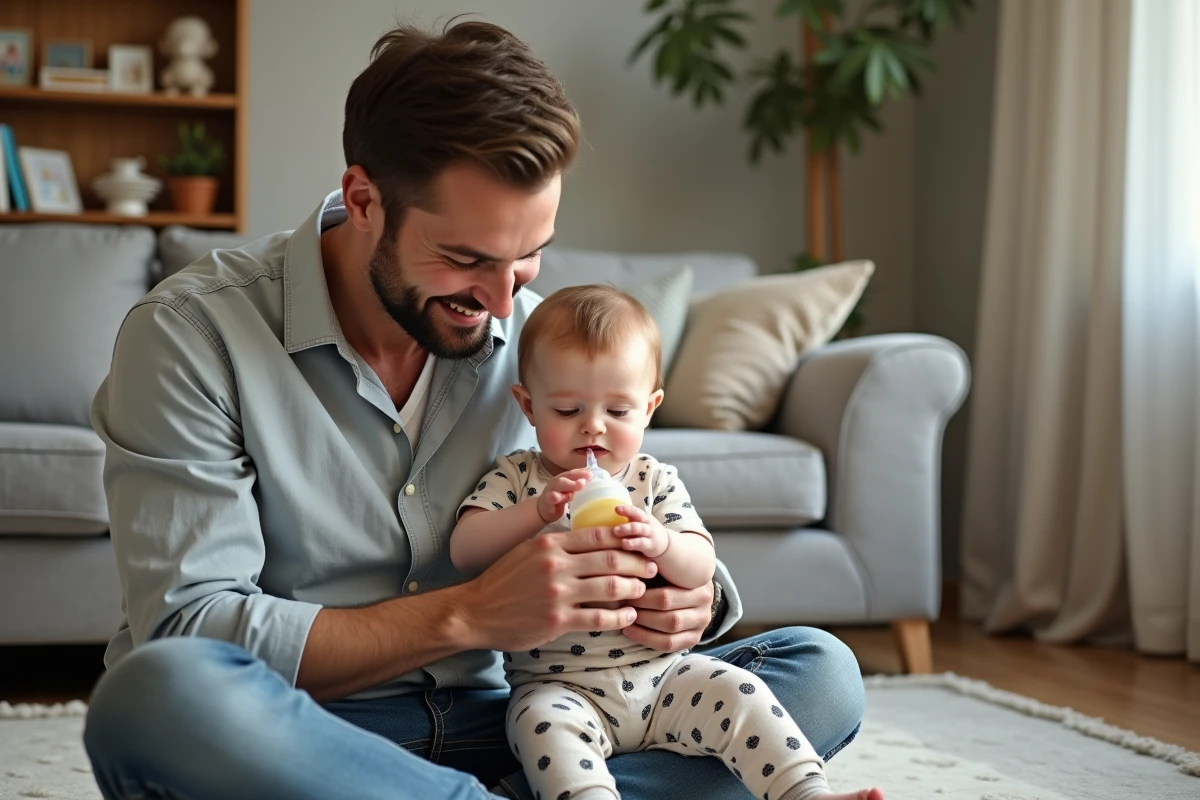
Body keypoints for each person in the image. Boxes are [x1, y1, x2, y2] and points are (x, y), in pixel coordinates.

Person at [82, 19, 865, 800]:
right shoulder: (193, 335)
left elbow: (641, 513)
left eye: (529, 255)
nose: (500, 302)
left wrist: (686, 601)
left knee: (819, 672)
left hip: (535, 723)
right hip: (319, 737)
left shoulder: (535, 338)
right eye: (466, 260)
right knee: (154, 700)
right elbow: (192, 626)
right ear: (364, 200)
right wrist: (470, 615)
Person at [451, 286, 882, 800]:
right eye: (567, 410)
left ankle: (805, 792)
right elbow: (465, 549)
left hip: (664, 679)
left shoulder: (653, 480)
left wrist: (661, 541)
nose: (593, 426)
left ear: (650, 407)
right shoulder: (518, 477)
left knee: (738, 691)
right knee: (540, 727)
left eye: (618, 410)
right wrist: (537, 512)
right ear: (528, 405)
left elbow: (701, 565)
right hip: (558, 687)